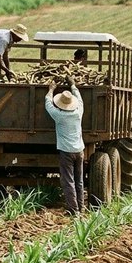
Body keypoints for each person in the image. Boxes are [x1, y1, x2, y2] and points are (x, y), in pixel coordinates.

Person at [45, 76, 85, 215]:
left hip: (66, 152)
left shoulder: (59, 115)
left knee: (68, 181)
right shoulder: (78, 112)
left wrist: (51, 90)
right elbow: (79, 98)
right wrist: (72, 84)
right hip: (79, 150)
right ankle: (81, 206)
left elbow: (48, 103)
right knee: (78, 181)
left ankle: (73, 210)